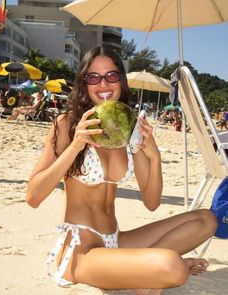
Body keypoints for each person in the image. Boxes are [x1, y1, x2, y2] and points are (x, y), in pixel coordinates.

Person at [26, 47, 217, 291]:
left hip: (116, 239)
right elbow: (33, 196)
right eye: (93, 77)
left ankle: (143, 269)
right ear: (84, 83)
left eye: (111, 76)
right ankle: (151, 271)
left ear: (121, 81)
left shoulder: (129, 127)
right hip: (82, 251)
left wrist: (154, 156)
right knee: (173, 267)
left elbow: (151, 202)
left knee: (206, 220)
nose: (103, 84)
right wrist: (75, 146)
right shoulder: (68, 124)